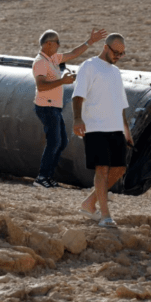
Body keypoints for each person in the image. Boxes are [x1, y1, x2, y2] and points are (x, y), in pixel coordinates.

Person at [32, 28, 107, 188]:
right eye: (57, 43)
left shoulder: (52, 58)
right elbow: (41, 86)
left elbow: (73, 54)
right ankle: (42, 177)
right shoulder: (40, 62)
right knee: (54, 142)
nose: (59, 46)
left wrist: (90, 41)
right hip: (46, 107)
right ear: (48, 44)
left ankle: (48, 176)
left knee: (61, 142)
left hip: (54, 106)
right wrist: (62, 81)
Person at [73, 33, 133, 228]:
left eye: (122, 54)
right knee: (102, 169)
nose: (118, 56)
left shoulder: (116, 72)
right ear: (106, 47)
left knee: (119, 168)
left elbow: (121, 104)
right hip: (95, 126)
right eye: (116, 52)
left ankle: (89, 203)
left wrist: (126, 131)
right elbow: (78, 95)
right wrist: (77, 118)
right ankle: (105, 215)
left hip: (115, 127)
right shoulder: (89, 66)